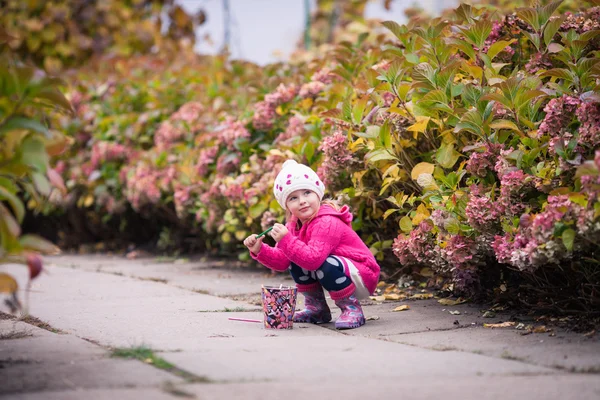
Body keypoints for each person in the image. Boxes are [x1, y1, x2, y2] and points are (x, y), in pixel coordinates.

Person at [243, 159, 381, 329]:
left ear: (318, 194)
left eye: (307, 192)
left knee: (320, 261)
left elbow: (314, 260)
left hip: (362, 273)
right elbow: (283, 261)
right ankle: (317, 308)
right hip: (340, 272)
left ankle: (351, 308)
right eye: (293, 197)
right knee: (296, 257)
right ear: (286, 206)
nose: (302, 201)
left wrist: (286, 240)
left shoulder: (327, 221)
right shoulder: (293, 225)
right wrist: (259, 249)